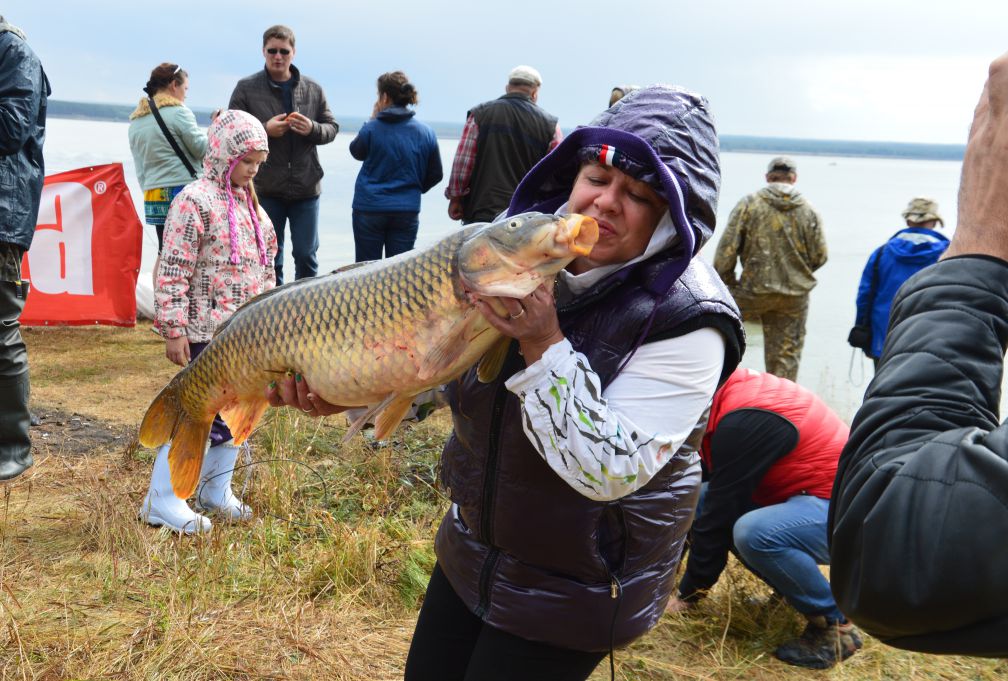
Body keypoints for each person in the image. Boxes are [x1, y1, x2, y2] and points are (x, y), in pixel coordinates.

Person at [269, 85, 746, 680]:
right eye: (597, 178)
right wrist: (344, 390)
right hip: (472, 550)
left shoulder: (689, 321)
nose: (605, 202)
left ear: (671, 214)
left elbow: (609, 470)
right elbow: (440, 368)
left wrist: (543, 342)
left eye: (639, 195)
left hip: (578, 587)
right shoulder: (516, 250)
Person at [829, 40, 1008, 657]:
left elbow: (889, 544)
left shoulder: (890, 249)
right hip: (943, 345)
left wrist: (984, 240)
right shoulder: (936, 247)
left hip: (908, 343)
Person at [664, 367, 860, 669]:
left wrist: (688, 596)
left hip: (851, 514)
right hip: (811, 497)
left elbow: (718, 517)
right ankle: (792, 593)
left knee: (754, 533)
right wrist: (664, 575)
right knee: (700, 496)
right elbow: (700, 497)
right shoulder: (721, 396)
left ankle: (836, 627)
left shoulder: (742, 421)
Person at [139, 110, 277, 534]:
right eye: (246, 161)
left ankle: (215, 490)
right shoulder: (193, 201)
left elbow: (268, 269)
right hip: (204, 332)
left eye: (258, 163)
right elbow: (173, 268)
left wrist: (270, 323)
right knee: (198, 413)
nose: (252, 170)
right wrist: (174, 328)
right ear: (223, 155)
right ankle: (162, 498)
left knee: (237, 415)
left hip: (246, 340)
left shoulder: (254, 210)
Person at [229, 24, 338, 286]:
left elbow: (332, 128)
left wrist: (312, 129)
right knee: (268, 257)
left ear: (293, 52)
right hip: (265, 187)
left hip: (306, 187)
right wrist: (264, 130)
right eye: (272, 51)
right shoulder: (246, 88)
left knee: (306, 256)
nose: (278, 56)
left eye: (284, 51)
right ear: (263, 51)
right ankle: (273, 306)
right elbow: (231, 131)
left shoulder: (313, 88)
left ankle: (307, 307)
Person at [713, 156, 826, 381]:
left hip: (751, 292)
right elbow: (820, 256)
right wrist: (795, 274)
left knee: (724, 347)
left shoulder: (749, 204)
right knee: (785, 361)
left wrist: (730, 285)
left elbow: (725, 254)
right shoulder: (809, 210)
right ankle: (778, 401)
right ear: (793, 178)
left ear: (768, 177)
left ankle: (721, 392)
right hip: (793, 297)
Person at [0, 15, 49, 482]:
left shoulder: (15, 54)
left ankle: (13, 446)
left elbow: (11, 129)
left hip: (3, 213)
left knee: (0, 329)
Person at [444, 65, 562, 225]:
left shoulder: (479, 114)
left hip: (481, 210)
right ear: (535, 93)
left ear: (507, 88)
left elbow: (463, 163)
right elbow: (555, 175)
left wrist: (456, 198)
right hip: (523, 216)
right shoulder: (551, 126)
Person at [349, 71, 443, 261]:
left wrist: (372, 118)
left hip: (369, 207)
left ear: (384, 97)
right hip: (406, 209)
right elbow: (436, 173)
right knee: (400, 269)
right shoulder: (426, 132)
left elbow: (356, 151)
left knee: (366, 269)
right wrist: (414, 188)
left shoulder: (372, 128)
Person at [128, 62, 208, 278]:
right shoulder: (179, 113)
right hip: (181, 191)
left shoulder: (136, 121)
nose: (185, 94)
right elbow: (202, 149)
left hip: (153, 195)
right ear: (174, 85)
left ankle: (160, 297)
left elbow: (140, 169)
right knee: (191, 252)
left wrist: (149, 189)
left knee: (165, 252)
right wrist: (216, 129)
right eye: (185, 88)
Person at [850, 197, 949, 364]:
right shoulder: (949, 256)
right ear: (934, 222)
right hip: (932, 341)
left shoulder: (881, 253)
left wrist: (864, 331)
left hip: (884, 338)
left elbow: (864, 297)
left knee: (884, 381)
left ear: (908, 220)